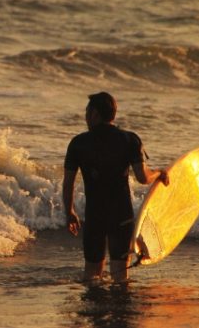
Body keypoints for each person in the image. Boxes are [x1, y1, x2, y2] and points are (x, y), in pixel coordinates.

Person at [63, 92, 169, 283]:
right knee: (120, 276)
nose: (86, 117)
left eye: (87, 112)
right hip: (121, 214)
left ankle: (93, 310)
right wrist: (159, 173)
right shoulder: (130, 140)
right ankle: (120, 310)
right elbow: (143, 177)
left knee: (91, 275)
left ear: (95, 113)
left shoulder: (78, 143)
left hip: (95, 215)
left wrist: (69, 211)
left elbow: (68, 182)